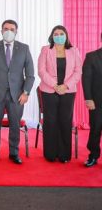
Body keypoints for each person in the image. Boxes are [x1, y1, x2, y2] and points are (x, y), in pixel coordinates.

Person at [0, 19, 34, 164]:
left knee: (15, 125)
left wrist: (26, 93)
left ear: (16, 31)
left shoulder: (24, 48)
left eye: (12, 29)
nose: (8, 31)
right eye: (6, 29)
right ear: (1, 31)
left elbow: (30, 74)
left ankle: (14, 153)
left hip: (17, 95)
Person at [38, 25, 82, 163]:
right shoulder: (46, 50)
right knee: (50, 121)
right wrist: (55, 85)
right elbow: (41, 70)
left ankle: (64, 154)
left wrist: (65, 86)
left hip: (68, 91)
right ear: (52, 36)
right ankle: (50, 154)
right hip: (49, 90)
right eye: (55, 34)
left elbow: (78, 71)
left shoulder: (74, 50)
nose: (58, 36)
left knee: (65, 120)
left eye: (61, 33)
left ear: (66, 35)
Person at [82, 33, 102, 167]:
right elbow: (86, 79)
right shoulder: (91, 56)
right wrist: (88, 99)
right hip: (96, 102)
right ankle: (93, 156)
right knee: (95, 129)